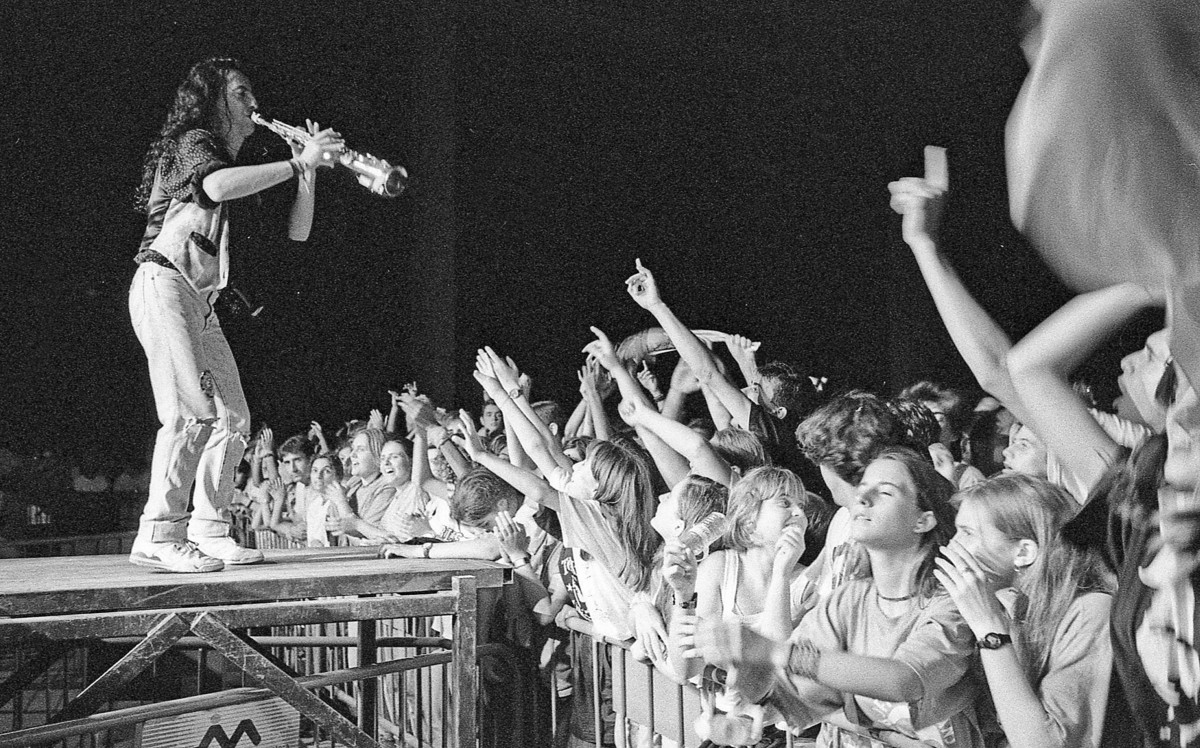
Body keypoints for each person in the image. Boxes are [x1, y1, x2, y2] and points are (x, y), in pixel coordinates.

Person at [128, 57, 343, 572]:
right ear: (214, 98)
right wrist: (296, 163)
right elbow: (217, 188)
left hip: (199, 302)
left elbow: (298, 232)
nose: (253, 105)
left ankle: (208, 528)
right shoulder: (193, 143)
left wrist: (307, 172)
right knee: (187, 414)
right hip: (164, 283)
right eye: (242, 93)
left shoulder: (232, 165)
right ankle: (157, 534)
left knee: (233, 418)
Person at [687, 449, 981, 747]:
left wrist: (773, 652)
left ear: (922, 520)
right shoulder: (848, 600)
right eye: (863, 488)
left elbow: (904, 680)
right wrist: (746, 709)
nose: (861, 499)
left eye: (886, 492)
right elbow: (792, 694)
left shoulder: (949, 603)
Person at [934, 474, 1117, 747]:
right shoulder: (1011, 605)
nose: (952, 545)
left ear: (1023, 552)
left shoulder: (1091, 612)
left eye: (968, 533)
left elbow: (1044, 743)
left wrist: (990, 630)